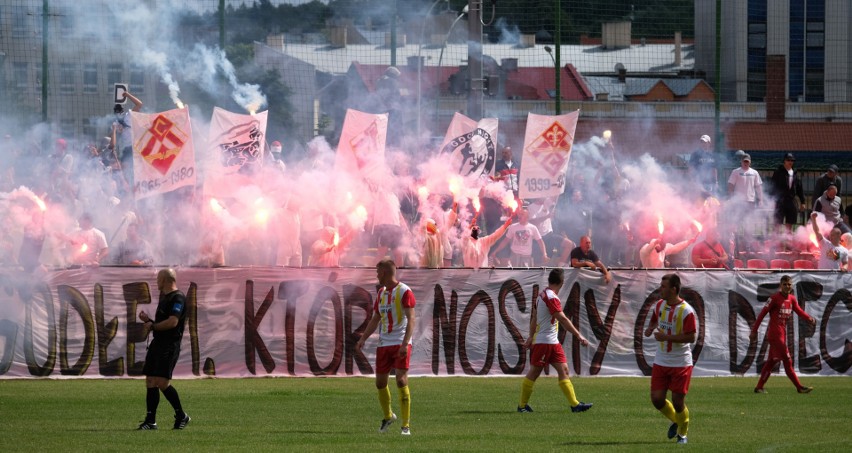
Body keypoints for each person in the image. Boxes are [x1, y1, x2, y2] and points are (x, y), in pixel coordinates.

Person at [517, 267, 593, 414]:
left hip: (552, 342)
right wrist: (579, 335)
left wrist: (530, 337)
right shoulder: (550, 297)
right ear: (562, 282)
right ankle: (521, 406)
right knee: (534, 372)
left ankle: (575, 405)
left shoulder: (541, 296)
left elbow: (534, 319)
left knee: (564, 370)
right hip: (544, 341)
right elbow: (563, 319)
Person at [355, 260, 415, 435]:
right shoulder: (381, 293)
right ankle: (388, 416)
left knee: (401, 380)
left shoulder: (404, 291)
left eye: (378, 272)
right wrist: (363, 338)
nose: (376, 275)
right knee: (380, 383)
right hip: (384, 342)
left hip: (400, 342)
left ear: (386, 273)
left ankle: (405, 426)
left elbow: (411, 318)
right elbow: (375, 318)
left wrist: (405, 343)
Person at [643, 273, 697, 445]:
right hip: (661, 360)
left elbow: (691, 337)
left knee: (678, 401)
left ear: (674, 289)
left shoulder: (686, 311)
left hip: (680, 362)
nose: (661, 289)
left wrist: (666, 338)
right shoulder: (659, 305)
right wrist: (650, 328)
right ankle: (676, 420)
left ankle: (683, 433)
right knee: (657, 399)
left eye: (664, 287)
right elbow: (654, 319)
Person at [137, 268, 190, 430]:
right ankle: (151, 421)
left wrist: (153, 325)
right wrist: (150, 321)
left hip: (169, 345)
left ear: (166, 280)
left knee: (162, 382)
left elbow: (173, 322)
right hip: (158, 343)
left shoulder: (178, 298)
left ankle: (181, 415)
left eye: (158, 279)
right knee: (151, 381)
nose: (156, 282)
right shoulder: (165, 298)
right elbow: (163, 324)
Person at [749, 275, 816, 394]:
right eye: (784, 284)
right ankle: (799, 387)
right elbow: (762, 314)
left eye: (789, 284)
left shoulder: (792, 299)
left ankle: (759, 387)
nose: (787, 286)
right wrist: (754, 331)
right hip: (775, 335)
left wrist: (809, 318)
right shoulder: (774, 298)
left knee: (771, 362)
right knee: (787, 360)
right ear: (780, 286)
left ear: (791, 286)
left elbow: (799, 311)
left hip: (782, 334)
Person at [769, 153, 805, 232]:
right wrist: (772, 200)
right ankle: (776, 241)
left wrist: (803, 202)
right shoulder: (778, 172)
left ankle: (787, 239)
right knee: (777, 222)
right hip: (780, 200)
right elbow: (773, 187)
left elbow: (799, 188)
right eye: (788, 160)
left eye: (792, 160)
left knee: (790, 221)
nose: (790, 162)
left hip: (791, 200)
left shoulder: (795, 174)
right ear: (784, 161)